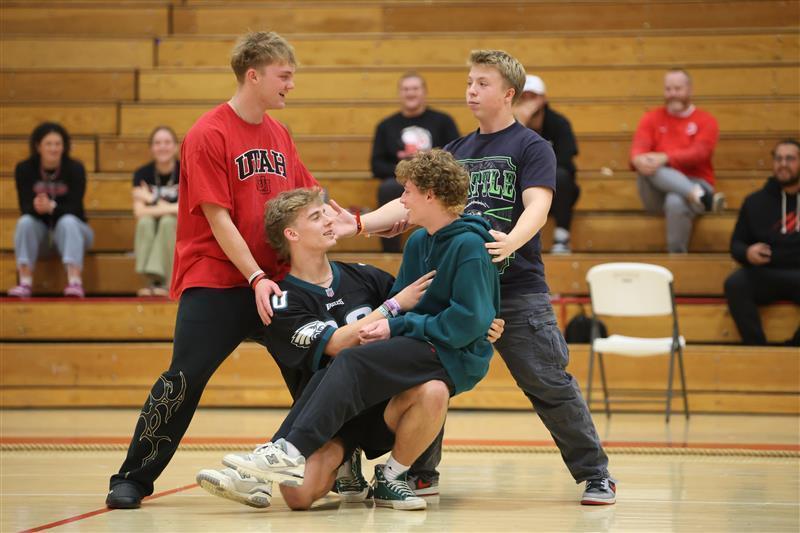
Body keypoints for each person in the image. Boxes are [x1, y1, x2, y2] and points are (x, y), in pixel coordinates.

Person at [105, 31, 360, 510]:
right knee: (183, 379)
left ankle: (345, 464)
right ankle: (133, 478)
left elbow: (313, 197)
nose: (291, 85)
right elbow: (217, 218)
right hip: (219, 279)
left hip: (276, 281)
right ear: (254, 75)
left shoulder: (280, 134)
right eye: (284, 76)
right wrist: (254, 277)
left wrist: (354, 221)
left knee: (321, 368)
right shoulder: (208, 133)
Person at [383, 50, 614, 505]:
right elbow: (407, 202)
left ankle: (595, 474)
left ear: (509, 93)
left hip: (516, 288)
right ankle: (420, 471)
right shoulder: (454, 151)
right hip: (457, 290)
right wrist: (357, 223)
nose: (471, 90)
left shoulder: (532, 146)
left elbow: (538, 205)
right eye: (470, 82)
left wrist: (512, 241)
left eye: (482, 83)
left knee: (548, 383)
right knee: (430, 377)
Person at [223, 149, 501, 511]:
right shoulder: (418, 243)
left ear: (430, 195)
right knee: (298, 496)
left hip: (445, 354)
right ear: (292, 234)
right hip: (350, 399)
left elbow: (463, 316)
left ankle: (295, 453)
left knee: (377, 368)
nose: (401, 201)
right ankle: (290, 458)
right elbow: (400, 308)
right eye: (317, 216)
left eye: (407, 192)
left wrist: (477, 323)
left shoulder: (466, 244)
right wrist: (398, 316)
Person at [630, 68, 724, 253]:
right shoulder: (651, 118)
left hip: (697, 180)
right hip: (656, 192)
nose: (672, 94)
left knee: (675, 200)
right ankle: (700, 197)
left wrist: (665, 158)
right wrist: (640, 160)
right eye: (668, 89)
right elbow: (637, 152)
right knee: (649, 165)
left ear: (690, 90)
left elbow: (700, 154)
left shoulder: (706, 120)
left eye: (678, 89)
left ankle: (677, 259)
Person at [371, 72, 460, 252]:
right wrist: (407, 171)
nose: (410, 93)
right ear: (399, 93)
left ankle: (446, 245)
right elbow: (376, 165)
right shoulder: (385, 125)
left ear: (424, 92)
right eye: (405, 89)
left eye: (415, 88)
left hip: (437, 181)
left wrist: (429, 170)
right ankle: (390, 252)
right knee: (386, 188)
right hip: (400, 181)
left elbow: (456, 157)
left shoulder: (443, 121)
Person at [724, 139, 800, 346]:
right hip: (766, 273)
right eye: (778, 159)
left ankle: (795, 349)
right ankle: (757, 348)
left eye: (790, 159)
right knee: (735, 284)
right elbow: (736, 244)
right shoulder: (754, 201)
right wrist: (747, 252)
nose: (783, 164)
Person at [8, 122, 94, 298]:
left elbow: (76, 209)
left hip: (73, 233)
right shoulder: (24, 169)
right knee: (25, 222)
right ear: (38, 146)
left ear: (64, 146)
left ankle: (75, 282)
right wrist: (37, 207)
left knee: (68, 221)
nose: (54, 149)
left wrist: (52, 207)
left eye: (58, 144)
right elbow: (24, 207)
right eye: (48, 144)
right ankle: (25, 282)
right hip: (41, 236)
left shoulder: (75, 168)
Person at [513, 74, 579, 254]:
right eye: (523, 97)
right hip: (521, 186)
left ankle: (562, 237)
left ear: (543, 99)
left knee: (562, 176)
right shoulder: (510, 125)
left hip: (553, 187)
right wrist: (521, 123)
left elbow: (566, 158)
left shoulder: (558, 123)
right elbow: (506, 156)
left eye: (532, 97)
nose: (528, 102)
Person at [132, 126, 180, 297]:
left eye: (167, 142)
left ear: (175, 147)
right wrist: (169, 208)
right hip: (153, 223)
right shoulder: (141, 174)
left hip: (179, 226)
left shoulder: (186, 170)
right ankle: (153, 281)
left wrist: (151, 199)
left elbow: (183, 209)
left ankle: (168, 283)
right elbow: (139, 212)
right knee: (145, 222)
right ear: (151, 148)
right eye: (157, 143)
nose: (162, 147)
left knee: (168, 222)